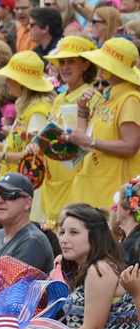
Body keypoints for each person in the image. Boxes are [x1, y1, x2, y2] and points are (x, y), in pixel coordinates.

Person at [58, 203, 138, 329]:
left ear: (94, 236)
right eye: (62, 232)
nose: (64, 239)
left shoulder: (99, 269)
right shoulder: (91, 268)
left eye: (74, 233)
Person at [66, 39, 140, 210]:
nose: (98, 65)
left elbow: (130, 146)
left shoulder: (130, 99)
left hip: (113, 187)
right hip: (94, 184)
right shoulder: (108, 96)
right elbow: (85, 135)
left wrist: (90, 142)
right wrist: (82, 109)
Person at [0, 51, 53, 220]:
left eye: (11, 77)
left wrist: (2, 156)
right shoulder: (27, 106)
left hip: (24, 189)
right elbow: (21, 145)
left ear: (22, 82)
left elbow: (35, 156)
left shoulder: (38, 111)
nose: (7, 81)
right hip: (14, 185)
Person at [38, 36, 97, 224]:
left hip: (75, 182)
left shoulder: (91, 97)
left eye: (71, 61)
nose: (64, 67)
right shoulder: (59, 98)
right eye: (61, 62)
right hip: (53, 182)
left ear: (86, 65)